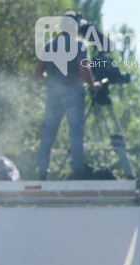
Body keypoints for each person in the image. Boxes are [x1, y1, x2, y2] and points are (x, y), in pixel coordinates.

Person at [35, 11, 97, 180]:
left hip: (54, 96)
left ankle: (43, 172)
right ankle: (77, 171)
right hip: (74, 95)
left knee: (48, 134)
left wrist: (52, 81)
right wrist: (93, 85)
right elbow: (84, 69)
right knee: (76, 134)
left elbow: (39, 73)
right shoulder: (80, 45)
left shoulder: (49, 45)